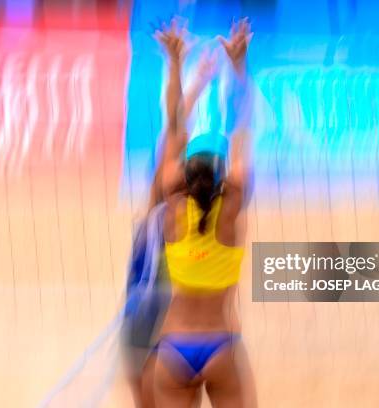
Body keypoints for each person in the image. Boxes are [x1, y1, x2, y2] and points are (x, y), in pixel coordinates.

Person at [153, 18, 257, 408]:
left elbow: (176, 125)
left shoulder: (172, 207)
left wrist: (176, 63)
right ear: (221, 170)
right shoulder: (232, 208)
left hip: (173, 347)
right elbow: (243, 127)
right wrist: (239, 69)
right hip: (220, 344)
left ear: (185, 170)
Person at [122, 18, 219, 408]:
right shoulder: (213, 215)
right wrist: (193, 83)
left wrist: (178, 64)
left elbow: (175, 125)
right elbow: (178, 125)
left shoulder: (162, 202)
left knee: (148, 395)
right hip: (178, 318)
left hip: (148, 313)